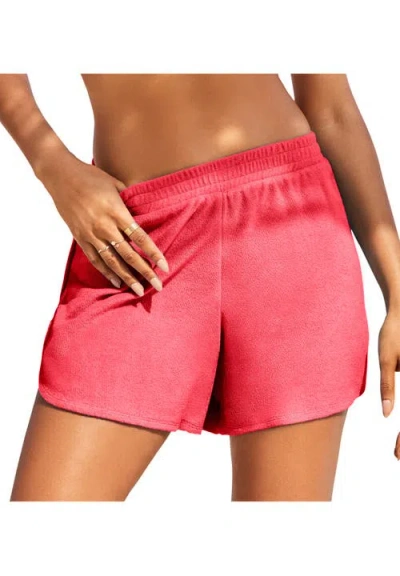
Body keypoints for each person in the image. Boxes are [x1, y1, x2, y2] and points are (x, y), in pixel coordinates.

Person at [2, 74, 399, 502]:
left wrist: (398, 293)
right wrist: (54, 167)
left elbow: (332, 111)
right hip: (135, 242)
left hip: (292, 232)